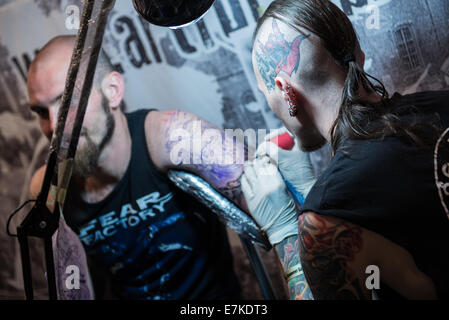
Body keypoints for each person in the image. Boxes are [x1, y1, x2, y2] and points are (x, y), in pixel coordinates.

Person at [242, 0, 449, 300]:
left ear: (285, 91)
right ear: (359, 55)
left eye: (267, 94)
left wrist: (286, 232)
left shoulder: (327, 220)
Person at [27, 35, 246, 300]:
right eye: (41, 112)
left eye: (67, 101)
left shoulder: (173, 137)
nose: (53, 127)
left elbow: (278, 215)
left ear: (113, 91)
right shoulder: (47, 189)